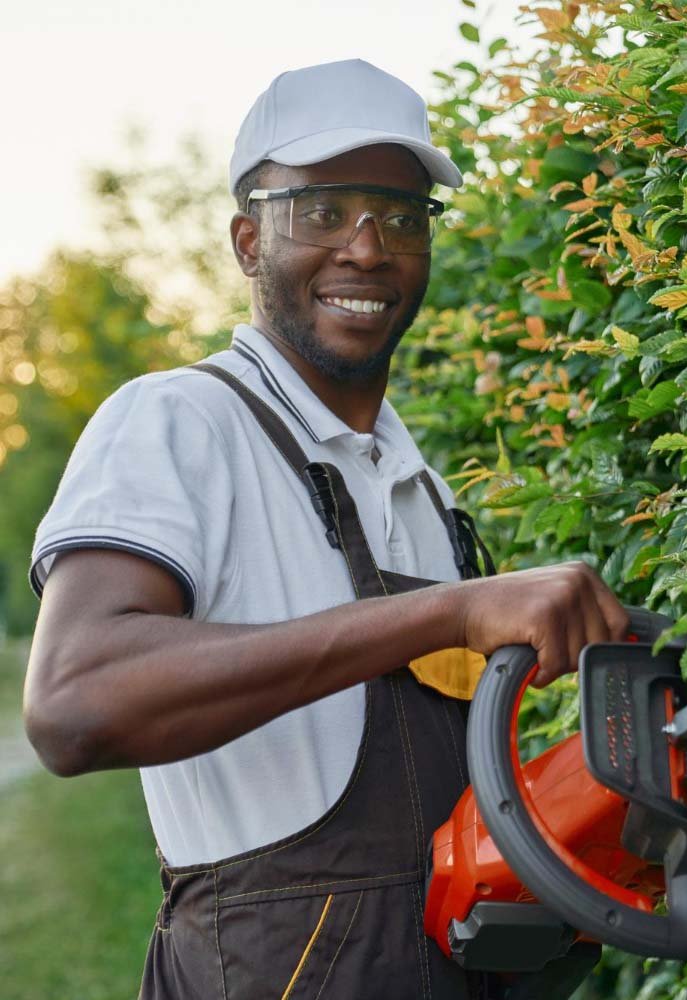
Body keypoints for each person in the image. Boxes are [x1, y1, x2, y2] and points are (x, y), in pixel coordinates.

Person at [23, 60, 628, 999]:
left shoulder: (420, 484)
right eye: (322, 210)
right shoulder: (179, 420)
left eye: (401, 213)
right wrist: (448, 614)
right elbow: (72, 704)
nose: (367, 248)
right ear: (247, 239)